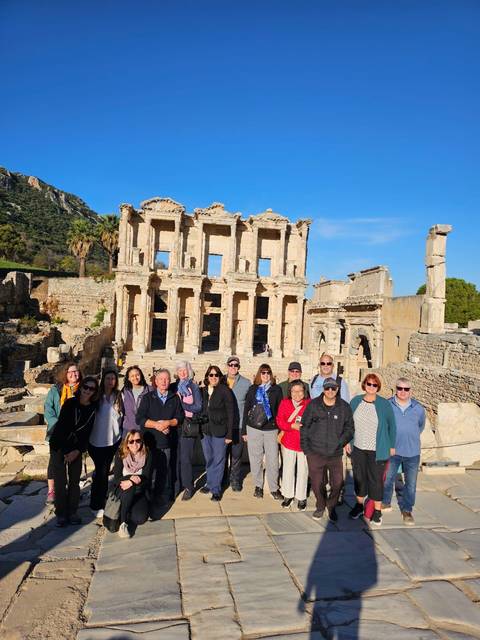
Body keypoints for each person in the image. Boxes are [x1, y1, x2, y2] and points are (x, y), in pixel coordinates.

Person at [301, 378, 354, 522]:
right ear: (323, 389)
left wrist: (340, 442)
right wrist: (307, 450)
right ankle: (320, 505)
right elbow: (304, 427)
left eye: (333, 388)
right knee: (317, 483)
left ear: (337, 389)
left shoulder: (344, 407)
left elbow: (350, 428)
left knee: (337, 483)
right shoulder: (314, 405)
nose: (330, 391)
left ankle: (331, 506)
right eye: (327, 388)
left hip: (335, 454)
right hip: (315, 452)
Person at [49, 376, 99, 527]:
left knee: (75, 481)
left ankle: (73, 511)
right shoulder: (70, 403)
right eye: (85, 387)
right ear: (81, 387)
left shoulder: (92, 408)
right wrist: (66, 451)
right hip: (59, 445)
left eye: (91, 389)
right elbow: (63, 427)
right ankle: (61, 513)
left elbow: (87, 433)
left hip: (76, 448)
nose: (87, 391)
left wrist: (77, 451)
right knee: (60, 481)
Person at [347, 373, 396, 526]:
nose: (371, 387)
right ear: (364, 385)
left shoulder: (384, 404)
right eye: (369, 384)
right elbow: (349, 424)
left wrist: (392, 446)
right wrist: (348, 441)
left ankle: (377, 511)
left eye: (374, 385)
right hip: (359, 448)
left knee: (376, 481)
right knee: (359, 478)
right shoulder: (355, 401)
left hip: (377, 449)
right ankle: (359, 506)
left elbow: (392, 426)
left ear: (378, 387)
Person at [137, 369, 184, 517]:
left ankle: (157, 498)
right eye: (161, 379)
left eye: (166, 379)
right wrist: (158, 425)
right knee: (148, 471)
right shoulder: (147, 398)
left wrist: (168, 423)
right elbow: (140, 419)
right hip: (150, 442)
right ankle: (144, 500)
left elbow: (180, 417)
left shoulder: (174, 398)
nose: (164, 382)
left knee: (162, 472)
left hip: (166, 443)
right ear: (155, 382)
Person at [382, 378, 426, 525]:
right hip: (392, 450)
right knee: (388, 479)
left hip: (412, 452)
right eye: (400, 388)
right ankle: (386, 502)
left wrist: (409, 436)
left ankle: (407, 510)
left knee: (411, 483)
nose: (402, 392)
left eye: (406, 389)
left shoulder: (418, 408)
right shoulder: (388, 405)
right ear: (395, 389)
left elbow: (420, 426)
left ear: (410, 391)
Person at [242, 364, 283, 500]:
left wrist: (279, 429)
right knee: (255, 459)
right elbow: (247, 409)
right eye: (263, 372)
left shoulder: (276, 390)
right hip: (253, 428)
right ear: (259, 374)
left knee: (273, 460)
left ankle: (273, 488)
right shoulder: (253, 389)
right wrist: (244, 431)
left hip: (271, 429)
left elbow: (279, 410)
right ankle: (258, 486)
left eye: (268, 373)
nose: (266, 375)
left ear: (271, 374)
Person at [44, 362, 83, 504]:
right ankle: (52, 490)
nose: (74, 374)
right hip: (57, 433)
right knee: (54, 464)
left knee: (74, 465)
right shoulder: (56, 390)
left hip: (75, 434)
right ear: (65, 374)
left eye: (76, 371)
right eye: (70, 372)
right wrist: (60, 425)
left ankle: (73, 492)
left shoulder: (84, 389)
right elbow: (48, 410)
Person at [88, 369, 123, 518]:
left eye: (113, 379)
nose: (110, 381)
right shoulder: (96, 396)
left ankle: (100, 499)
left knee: (104, 471)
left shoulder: (118, 396)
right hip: (96, 441)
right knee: (101, 473)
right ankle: (96, 504)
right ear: (103, 380)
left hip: (113, 440)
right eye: (108, 378)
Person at [199, 365, 234, 501]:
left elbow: (231, 413)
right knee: (209, 459)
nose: (213, 377)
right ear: (207, 377)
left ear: (220, 377)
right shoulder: (202, 391)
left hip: (220, 431)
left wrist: (229, 434)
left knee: (219, 460)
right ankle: (210, 482)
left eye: (216, 375)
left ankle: (216, 489)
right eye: (211, 375)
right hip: (205, 430)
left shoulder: (225, 391)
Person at [276, 380, 311, 510]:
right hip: (289, 441)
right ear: (290, 392)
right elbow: (280, 420)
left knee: (303, 470)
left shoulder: (309, 404)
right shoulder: (285, 403)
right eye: (294, 391)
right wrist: (292, 425)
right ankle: (288, 494)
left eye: (300, 391)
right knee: (288, 469)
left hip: (304, 443)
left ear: (304, 392)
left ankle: (301, 497)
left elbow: (314, 421)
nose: (297, 394)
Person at [113, 429, 153, 538]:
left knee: (140, 519)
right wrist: (131, 480)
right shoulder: (120, 455)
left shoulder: (147, 455)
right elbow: (116, 479)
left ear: (141, 442)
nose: (135, 444)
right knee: (128, 488)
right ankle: (123, 524)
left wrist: (132, 482)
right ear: (127, 443)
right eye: (131, 441)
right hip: (122, 491)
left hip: (139, 493)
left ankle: (126, 510)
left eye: (138, 440)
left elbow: (147, 480)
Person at [172, 361, 203, 501]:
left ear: (189, 371)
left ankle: (188, 486)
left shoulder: (193, 386)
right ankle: (176, 485)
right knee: (175, 457)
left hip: (187, 426)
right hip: (174, 425)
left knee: (185, 458)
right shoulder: (173, 387)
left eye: (185, 370)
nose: (183, 373)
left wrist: (182, 403)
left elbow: (198, 407)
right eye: (180, 370)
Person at [224, 355, 250, 491]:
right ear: (227, 366)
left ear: (239, 367)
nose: (233, 367)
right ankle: (222, 479)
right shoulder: (219, 380)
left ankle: (235, 480)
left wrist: (246, 429)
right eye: (231, 365)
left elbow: (248, 408)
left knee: (236, 455)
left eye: (236, 365)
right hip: (223, 425)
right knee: (222, 455)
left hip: (239, 425)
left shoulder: (246, 383)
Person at [121, 366, 152, 435]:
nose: (135, 378)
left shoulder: (150, 390)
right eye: (132, 376)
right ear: (128, 378)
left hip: (145, 429)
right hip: (128, 430)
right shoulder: (125, 390)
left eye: (137, 375)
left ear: (141, 375)